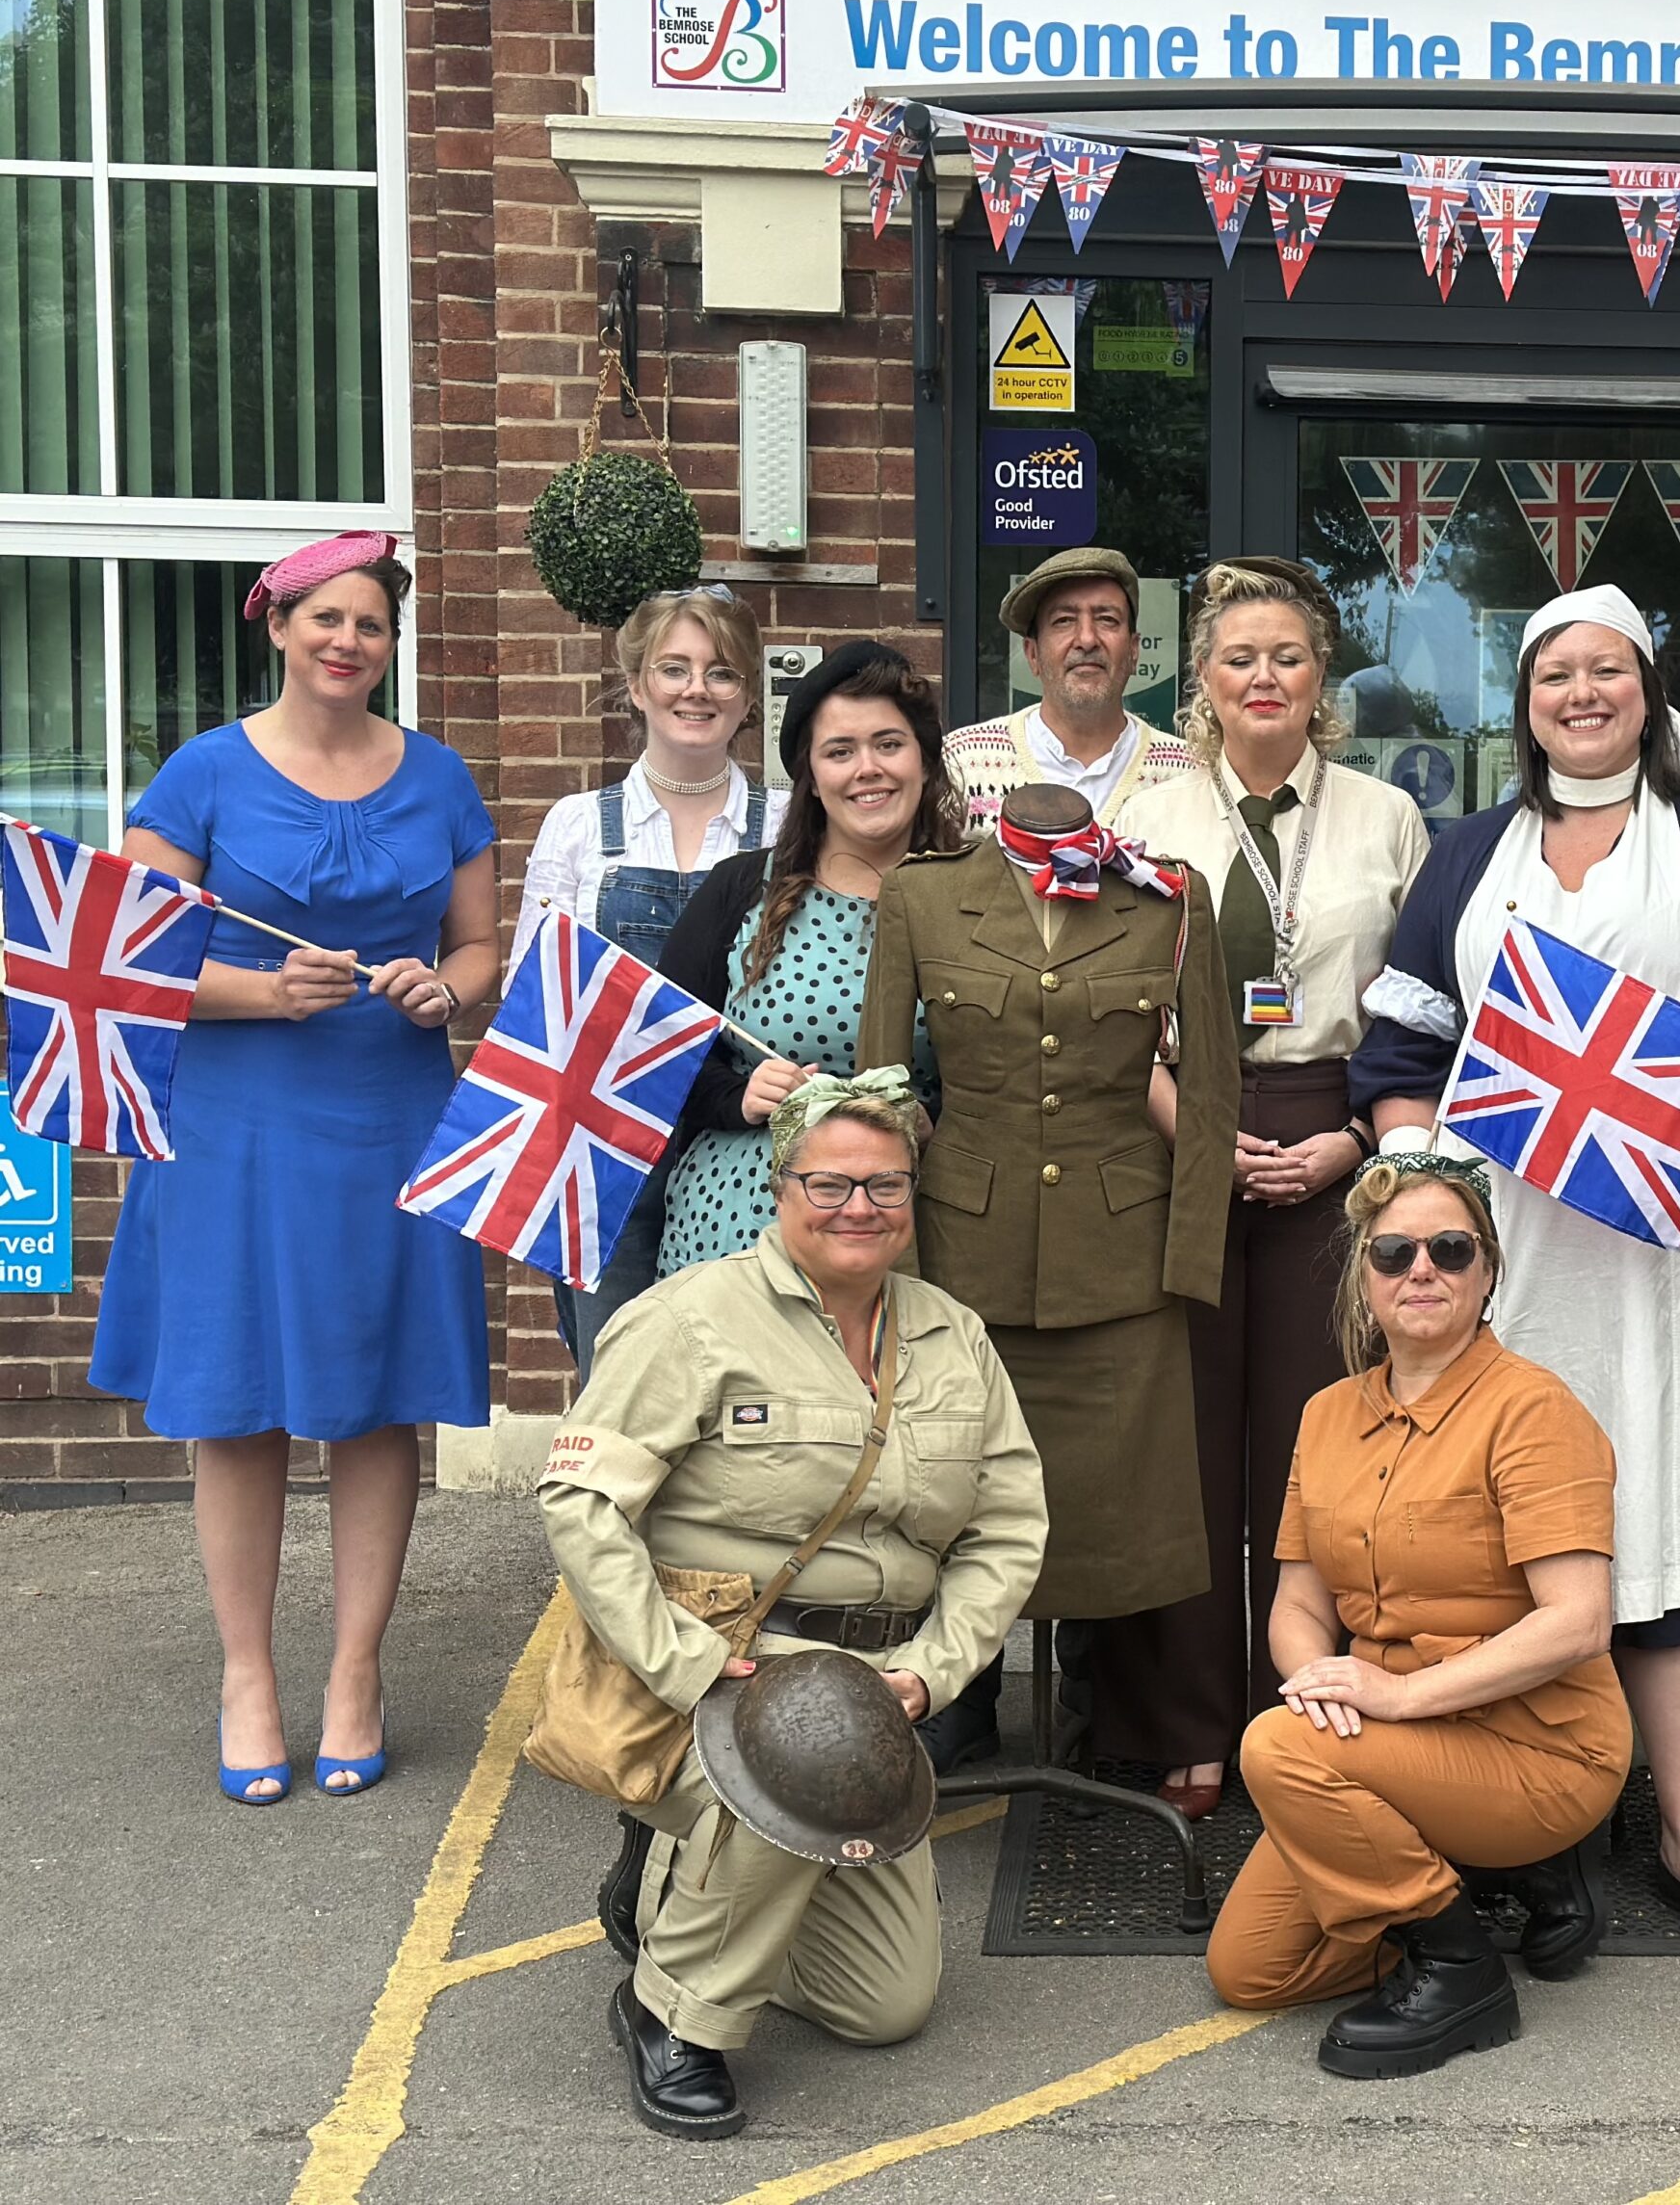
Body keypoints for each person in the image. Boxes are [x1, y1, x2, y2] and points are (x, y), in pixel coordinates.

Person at [1352, 582, 1680, 1956]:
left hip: (1679, 1238)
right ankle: (1540, 1827)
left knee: (1677, 1524)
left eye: (1606, 668)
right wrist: (1419, 1167)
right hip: (1511, 1246)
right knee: (1513, 1535)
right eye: (1555, 670)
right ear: (1527, 701)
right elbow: (1398, 1048)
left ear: (1647, 686)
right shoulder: (1464, 855)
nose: (1581, 689)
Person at [539, 1074, 1046, 2139]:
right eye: (830, 1182)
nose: (858, 1206)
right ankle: (672, 2014)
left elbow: (1007, 1530)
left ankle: (676, 1878)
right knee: (794, 1744)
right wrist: (681, 1660)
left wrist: (933, 1670)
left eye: (885, 1185)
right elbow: (581, 1501)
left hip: (878, 1684)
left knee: (885, 2004)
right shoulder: (687, 1318)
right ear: (781, 1188)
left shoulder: (953, 1334)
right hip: (714, 1650)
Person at [93, 531, 497, 1804]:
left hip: (388, 1117)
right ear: (275, 624)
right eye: (326, 617)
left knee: (380, 1400)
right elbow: (130, 957)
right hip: (235, 1125)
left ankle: (355, 1674)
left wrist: (446, 988)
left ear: (389, 645)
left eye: (370, 624)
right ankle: (249, 1675)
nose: (347, 640)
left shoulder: (441, 778)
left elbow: (482, 945)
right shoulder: (201, 773)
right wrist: (266, 992)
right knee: (238, 1401)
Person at [1112, 558, 1430, 1817]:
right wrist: (1190, 1126)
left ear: (1321, 683)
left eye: (1287, 656)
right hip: (1181, 1113)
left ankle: (1304, 1701)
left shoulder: (1384, 817)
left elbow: (1416, 1015)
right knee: (1184, 1442)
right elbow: (1112, 1003)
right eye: (1238, 657)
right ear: (1202, 681)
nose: (1263, 677)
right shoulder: (1146, 817)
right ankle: (1189, 1720)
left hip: (1331, 1129)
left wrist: (1353, 1143)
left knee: (1318, 1447)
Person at [1207, 1155, 1630, 2079]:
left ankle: (1461, 1963)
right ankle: (1471, 1877)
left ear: (1488, 1272)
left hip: (1538, 1750)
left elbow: (1578, 1622)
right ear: (1365, 1279)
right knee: (1253, 1971)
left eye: (1449, 1248)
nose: (1421, 1270)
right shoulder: (1325, 1416)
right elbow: (1296, 1606)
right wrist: (1319, 1686)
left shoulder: (1534, 1410)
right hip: (1388, 1743)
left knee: (1277, 1750)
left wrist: (1389, 1702)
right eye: (1393, 1252)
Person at [856, 781, 1239, 1772]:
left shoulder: (1168, 897)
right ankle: (952, 1700)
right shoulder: (921, 898)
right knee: (952, 1491)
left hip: (1124, 1258)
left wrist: (1192, 1256)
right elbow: (882, 1089)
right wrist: (882, 1262)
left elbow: (1207, 1096)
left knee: (1127, 1512)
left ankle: (1110, 1718)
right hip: (964, 1253)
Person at [512, 584, 782, 1373]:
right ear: (636, 686)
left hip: (751, 1134)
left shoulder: (792, 821)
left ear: (748, 697)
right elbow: (541, 997)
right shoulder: (577, 825)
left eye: (722, 673)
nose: (697, 690)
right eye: (674, 669)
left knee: (755, 1368)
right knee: (620, 1373)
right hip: (608, 1142)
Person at [654, 640, 951, 1281]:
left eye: (888, 744)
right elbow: (658, 1049)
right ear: (812, 779)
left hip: (917, 1232)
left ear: (926, 761)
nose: (866, 768)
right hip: (742, 1227)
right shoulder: (741, 891)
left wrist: (943, 1123)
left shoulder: (978, 905)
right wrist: (738, 1096)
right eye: (840, 752)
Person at [941, 546, 1194, 831]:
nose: (1086, 639)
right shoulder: (961, 763)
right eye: (1064, 621)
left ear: (1134, 651)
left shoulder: (1189, 772)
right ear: (1032, 654)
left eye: (1106, 619)